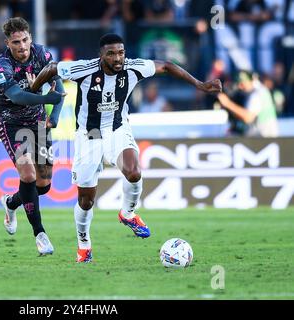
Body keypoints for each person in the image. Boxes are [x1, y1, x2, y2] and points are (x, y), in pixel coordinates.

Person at [29, 33, 221, 263]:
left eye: (121, 52)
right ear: (101, 56)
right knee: (86, 200)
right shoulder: (84, 69)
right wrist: (34, 89)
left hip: (118, 129)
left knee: (134, 171)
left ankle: (128, 214)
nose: (118, 58)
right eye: (111, 53)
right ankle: (84, 245)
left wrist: (200, 84)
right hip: (89, 134)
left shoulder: (134, 68)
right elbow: (52, 68)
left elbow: (168, 66)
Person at [0, 17, 66, 256]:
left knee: (42, 186)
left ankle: (11, 202)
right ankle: (40, 235)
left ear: (30, 38)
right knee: (28, 174)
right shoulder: (1, 66)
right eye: (16, 42)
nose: (22, 46)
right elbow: (16, 97)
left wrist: (54, 116)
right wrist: (46, 98)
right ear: (8, 43)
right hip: (12, 123)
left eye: (25, 40)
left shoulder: (42, 54)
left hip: (38, 122)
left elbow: (59, 87)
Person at [217, 70, 279, 137]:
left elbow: (248, 118)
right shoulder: (260, 90)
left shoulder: (257, 94)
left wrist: (227, 103)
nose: (240, 87)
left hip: (264, 139)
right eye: (239, 84)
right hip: (265, 137)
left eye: (242, 83)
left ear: (251, 80)